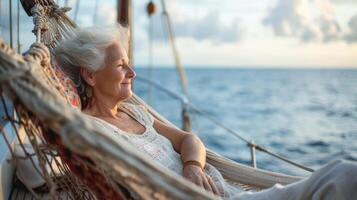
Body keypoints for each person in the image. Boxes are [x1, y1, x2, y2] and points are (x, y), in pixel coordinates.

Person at [54, 25, 357, 200]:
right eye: (121, 65)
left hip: (225, 189)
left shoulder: (135, 113)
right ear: (91, 75)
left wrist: (193, 167)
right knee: (342, 178)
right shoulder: (91, 131)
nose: (132, 72)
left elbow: (190, 139)